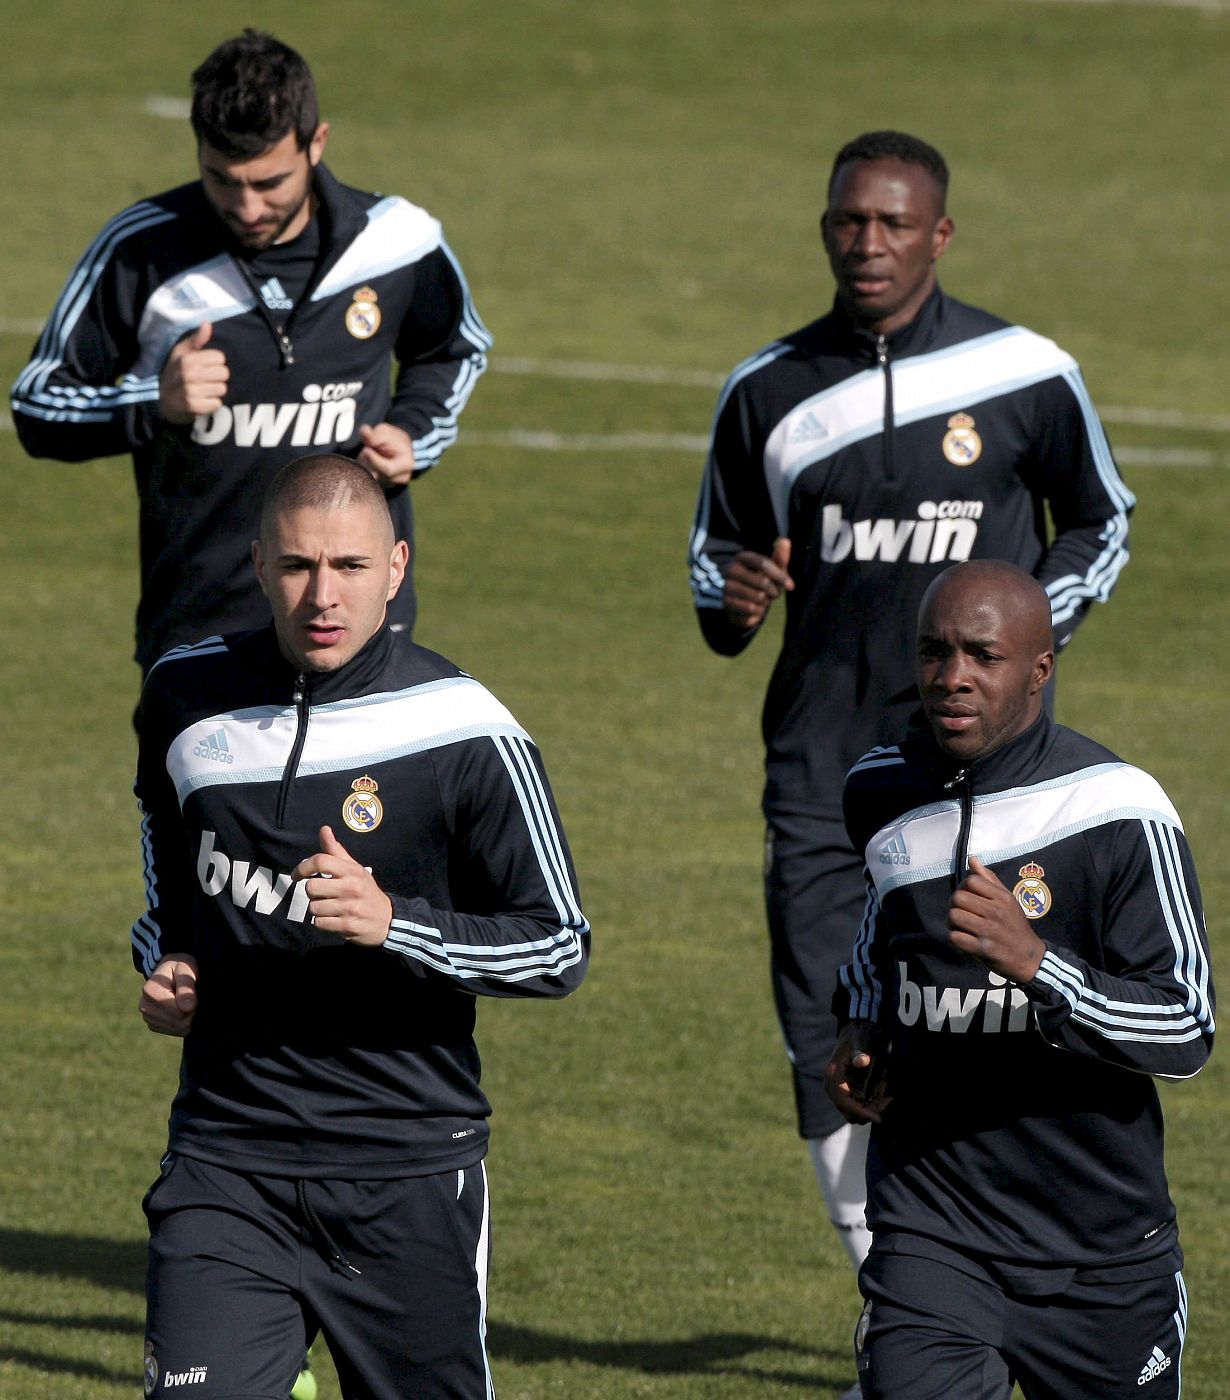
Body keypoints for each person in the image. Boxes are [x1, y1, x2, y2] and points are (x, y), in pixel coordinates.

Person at [686, 130, 1134, 1304]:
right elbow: (713, 569)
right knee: (825, 1038)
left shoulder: (1025, 370)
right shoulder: (767, 392)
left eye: (892, 224)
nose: (867, 244)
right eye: (847, 222)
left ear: (940, 233)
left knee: (995, 1020)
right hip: (828, 772)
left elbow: (1104, 518)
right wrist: (732, 594)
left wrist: (1037, 623)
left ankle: (1041, 1289)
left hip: (993, 780)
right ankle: (908, 1308)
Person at [133, 454, 589, 1399]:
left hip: (406, 1171)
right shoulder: (183, 697)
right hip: (229, 1154)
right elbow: (169, 869)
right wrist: (170, 955)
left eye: (349, 567)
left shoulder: (466, 730)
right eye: (298, 567)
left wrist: (396, 926)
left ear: (397, 567)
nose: (321, 596)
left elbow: (559, 943)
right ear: (259, 566)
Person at [826, 559, 1214, 1399]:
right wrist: (859, 1023)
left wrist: (1038, 965)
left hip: (1101, 1252)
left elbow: (1184, 1028)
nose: (951, 678)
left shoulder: (1118, 811)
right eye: (934, 652)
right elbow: (877, 922)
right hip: (934, 1229)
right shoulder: (880, 786)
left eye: (981, 655)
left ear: (1041, 669)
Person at [11, 29, 490, 674]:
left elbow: (454, 347)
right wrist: (155, 401)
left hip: (359, 630)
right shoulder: (141, 251)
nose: (246, 206)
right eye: (223, 180)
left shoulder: (396, 243)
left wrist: (415, 434)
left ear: (316, 143)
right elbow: (38, 407)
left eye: (269, 182)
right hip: (201, 634)